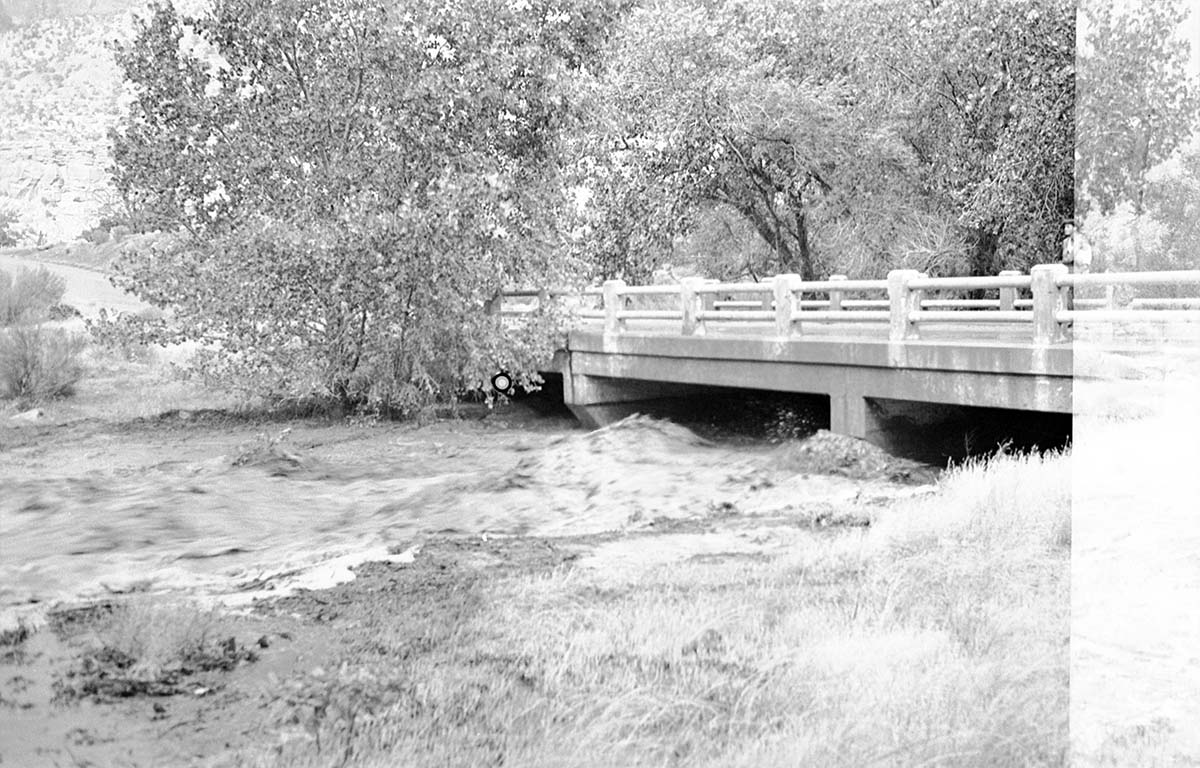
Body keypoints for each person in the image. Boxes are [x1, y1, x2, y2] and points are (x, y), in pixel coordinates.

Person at [1062, 222, 1093, 310]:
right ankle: (1070, 316)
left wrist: (1070, 258)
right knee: (1068, 291)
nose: (1065, 229)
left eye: (1068, 227)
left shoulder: (1080, 240)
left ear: (1074, 228)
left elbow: (1072, 256)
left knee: (1080, 293)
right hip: (1071, 267)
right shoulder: (1065, 242)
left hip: (1082, 268)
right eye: (1065, 227)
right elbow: (1065, 258)